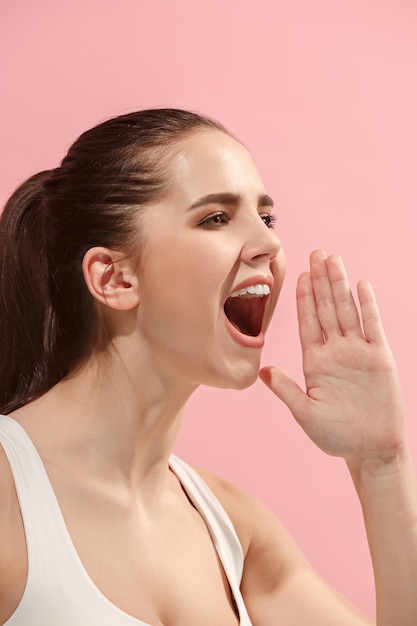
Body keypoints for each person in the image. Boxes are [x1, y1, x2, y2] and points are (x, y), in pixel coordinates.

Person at [0, 108, 415, 626]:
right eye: (216, 218)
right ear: (113, 278)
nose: (269, 243)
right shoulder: (10, 496)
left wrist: (382, 463)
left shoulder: (232, 530)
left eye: (266, 218)